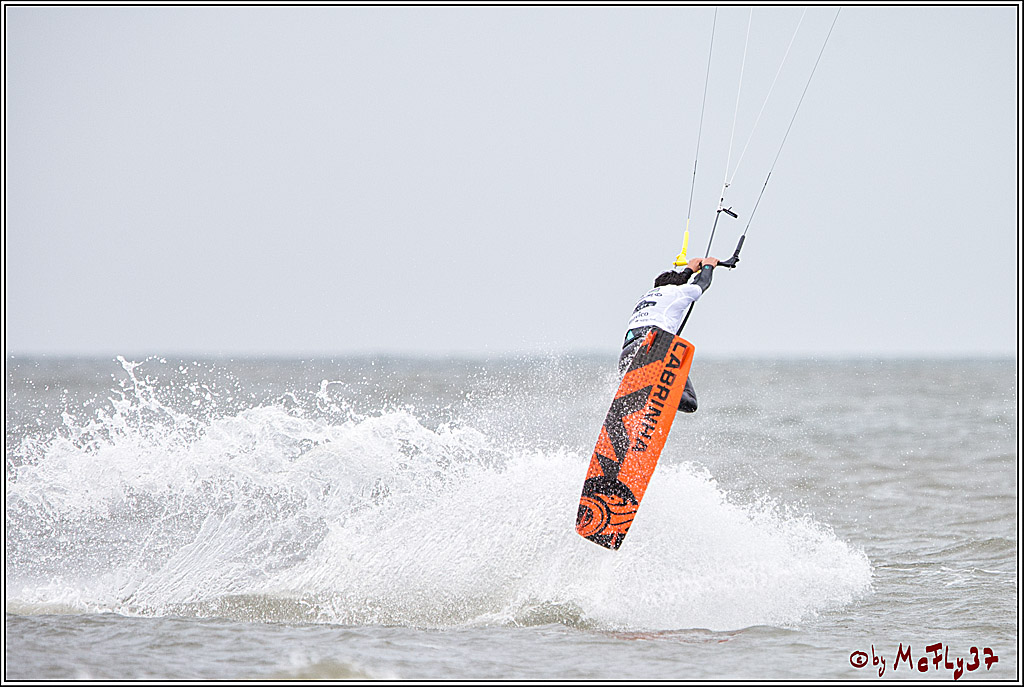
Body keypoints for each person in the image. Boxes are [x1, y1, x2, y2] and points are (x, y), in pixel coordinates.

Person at [619, 256, 720, 413]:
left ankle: (642, 395)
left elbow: (678, 282)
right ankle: (649, 391)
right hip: (656, 346)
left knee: (633, 402)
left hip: (629, 351)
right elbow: (702, 284)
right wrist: (708, 266)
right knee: (690, 403)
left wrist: (689, 270)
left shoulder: (646, 297)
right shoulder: (676, 292)